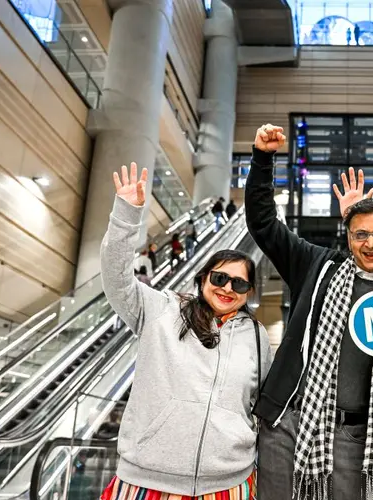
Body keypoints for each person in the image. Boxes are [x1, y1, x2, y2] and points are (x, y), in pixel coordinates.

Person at [246, 124, 373, 500]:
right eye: (360, 234)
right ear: (347, 236)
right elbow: (264, 224)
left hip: (357, 437)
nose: (371, 243)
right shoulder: (317, 266)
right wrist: (263, 159)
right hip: (288, 421)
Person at [100, 163, 272, 499]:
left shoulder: (256, 336)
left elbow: (259, 405)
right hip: (145, 481)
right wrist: (126, 215)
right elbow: (116, 280)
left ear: (249, 291)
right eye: (219, 278)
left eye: (239, 283)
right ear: (203, 277)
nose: (227, 288)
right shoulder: (161, 310)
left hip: (228, 483)